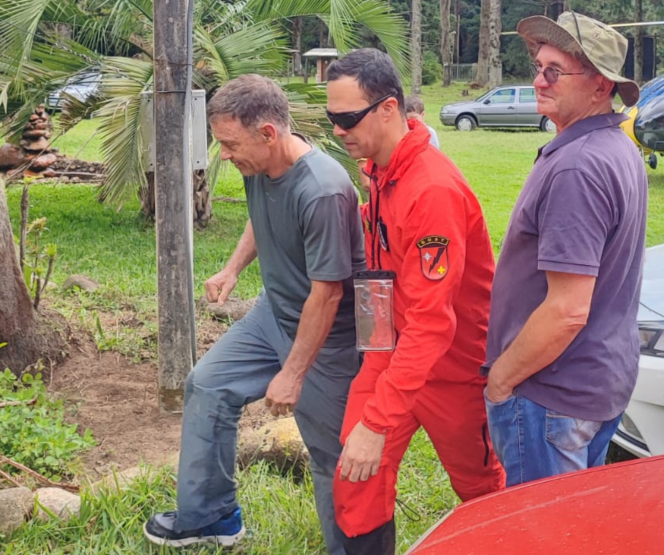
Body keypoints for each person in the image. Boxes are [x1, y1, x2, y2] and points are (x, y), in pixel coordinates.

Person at [143, 74, 366, 552]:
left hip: (327, 338)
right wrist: (232, 269)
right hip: (274, 314)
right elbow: (261, 214)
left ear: (268, 133)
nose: (224, 153)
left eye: (230, 143)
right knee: (208, 385)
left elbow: (326, 296)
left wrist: (293, 372)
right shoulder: (262, 168)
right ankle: (210, 516)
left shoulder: (324, 189)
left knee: (332, 457)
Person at [325, 48, 505, 554]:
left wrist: (379, 421)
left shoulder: (432, 190)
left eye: (346, 118)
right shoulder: (381, 172)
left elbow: (432, 325)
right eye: (330, 118)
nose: (337, 130)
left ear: (388, 110)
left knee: (479, 488)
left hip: (450, 370)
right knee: (356, 475)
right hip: (388, 353)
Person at [483, 12, 648, 487]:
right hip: (594, 381)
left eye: (554, 71)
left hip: (551, 393)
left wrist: (502, 380)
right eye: (538, 66)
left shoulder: (577, 166)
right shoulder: (614, 146)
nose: (538, 79)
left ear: (600, 86)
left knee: (545, 531)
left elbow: (568, 310)